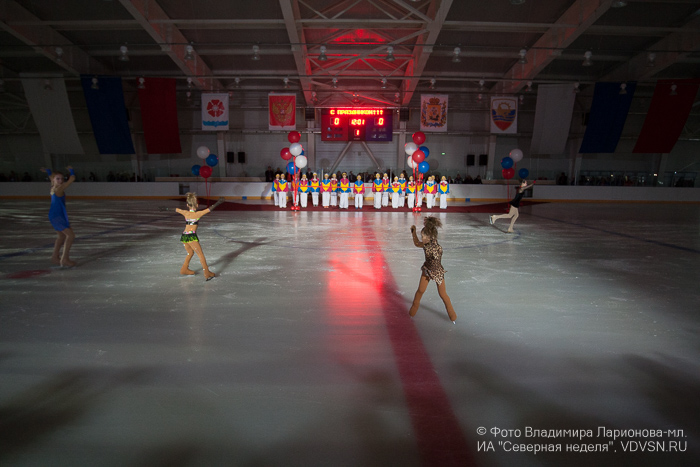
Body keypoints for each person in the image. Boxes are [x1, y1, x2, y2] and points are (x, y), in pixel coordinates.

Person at [408, 217, 457, 323]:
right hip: (427, 269)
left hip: (437, 271)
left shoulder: (436, 248)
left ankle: (453, 316)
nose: (422, 238)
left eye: (423, 236)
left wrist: (434, 255)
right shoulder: (427, 244)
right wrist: (413, 233)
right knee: (420, 290)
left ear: (430, 237)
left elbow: (435, 255)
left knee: (443, 294)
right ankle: (412, 312)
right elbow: (417, 243)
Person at [173, 193, 224, 281]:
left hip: (184, 236)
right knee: (200, 255)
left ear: (187, 205)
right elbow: (209, 209)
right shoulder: (198, 214)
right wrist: (218, 203)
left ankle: (184, 269)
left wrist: (165, 208)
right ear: (197, 205)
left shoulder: (185, 213)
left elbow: (177, 210)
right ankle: (207, 273)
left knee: (190, 253)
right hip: (191, 237)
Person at [41, 166, 77, 267]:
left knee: (61, 236)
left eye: (62, 178)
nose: (61, 180)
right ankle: (64, 259)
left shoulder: (53, 187)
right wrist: (71, 170)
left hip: (55, 215)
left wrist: (48, 171)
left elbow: (51, 178)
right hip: (57, 216)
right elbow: (72, 178)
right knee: (70, 235)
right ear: (54, 179)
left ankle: (54, 257)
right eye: (58, 178)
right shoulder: (59, 188)